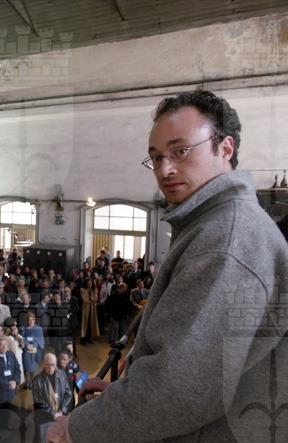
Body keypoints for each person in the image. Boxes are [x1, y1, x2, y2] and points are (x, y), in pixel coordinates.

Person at [47, 91, 288, 443]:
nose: (165, 169)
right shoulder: (215, 224)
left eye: (181, 151)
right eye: (156, 157)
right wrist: (123, 393)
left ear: (225, 149)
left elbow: (181, 385)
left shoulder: (225, 239)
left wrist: (77, 428)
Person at [32, 353, 73, 443]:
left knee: (58, 438)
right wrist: (53, 414)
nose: (50, 368)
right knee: (43, 439)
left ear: (56, 364)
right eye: (48, 365)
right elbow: (39, 402)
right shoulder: (37, 380)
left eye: (53, 365)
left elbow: (68, 394)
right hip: (44, 418)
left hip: (60, 414)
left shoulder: (62, 375)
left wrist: (62, 410)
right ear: (43, 364)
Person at [0, 337, 21, 439]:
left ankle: (5, 424)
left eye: (5, 345)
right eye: (1, 345)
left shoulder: (10, 354)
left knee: (7, 409)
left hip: (10, 390)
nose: (4, 347)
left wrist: (15, 381)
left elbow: (17, 368)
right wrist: (8, 384)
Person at [21, 312, 44, 386]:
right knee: (26, 367)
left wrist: (32, 345)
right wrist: (25, 343)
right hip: (25, 350)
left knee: (32, 367)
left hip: (34, 350)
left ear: (34, 320)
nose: (30, 321)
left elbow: (40, 341)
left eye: (32, 320)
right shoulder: (24, 328)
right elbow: (22, 338)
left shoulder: (38, 329)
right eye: (28, 320)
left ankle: (33, 382)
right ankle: (27, 382)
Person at [79, 279, 99, 345]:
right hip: (85, 309)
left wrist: (91, 299)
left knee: (91, 323)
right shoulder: (83, 290)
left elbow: (96, 298)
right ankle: (83, 339)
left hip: (92, 309)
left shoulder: (94, 290)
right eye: (88, 283)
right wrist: (91, 299)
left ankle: (89, 338)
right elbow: (84, 299)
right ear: (86, 283)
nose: (90, 284)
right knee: (85, 324)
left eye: (91, 283)